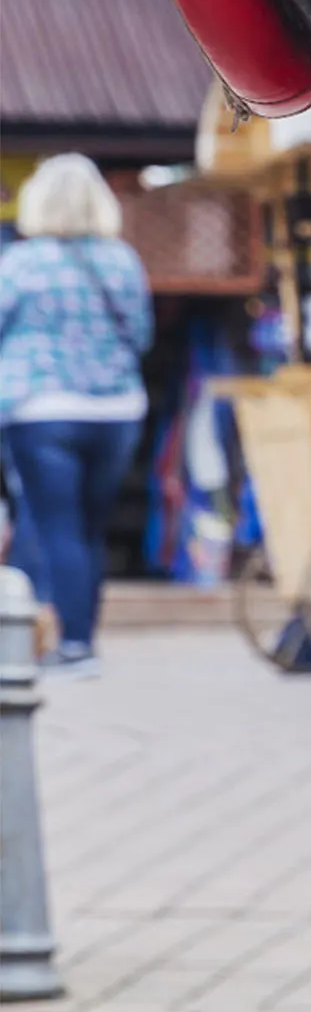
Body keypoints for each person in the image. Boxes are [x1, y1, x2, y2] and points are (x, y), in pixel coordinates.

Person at [0, 155, 152, 678]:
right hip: (117, 411)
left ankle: (74, 648)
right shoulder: (122, 260)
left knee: (55, 527)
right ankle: (82, 641)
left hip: (41, 411)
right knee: (89, 530)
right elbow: (142, 337)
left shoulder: (21, 263)